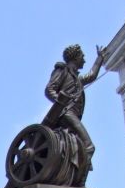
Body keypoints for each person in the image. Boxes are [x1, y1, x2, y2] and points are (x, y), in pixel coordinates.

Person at [43, 43, 104, 174]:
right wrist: (61, 102)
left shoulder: (77, 78)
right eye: (82, 56)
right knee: (89, 146)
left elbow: (91, 76)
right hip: (66, 113)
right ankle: (80, 178)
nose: (84, 59)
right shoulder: (62, 71)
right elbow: (49, 89)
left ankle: (73, 174)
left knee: (75, 148)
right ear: (75, 57)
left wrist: (100, 59)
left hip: (72, 114)